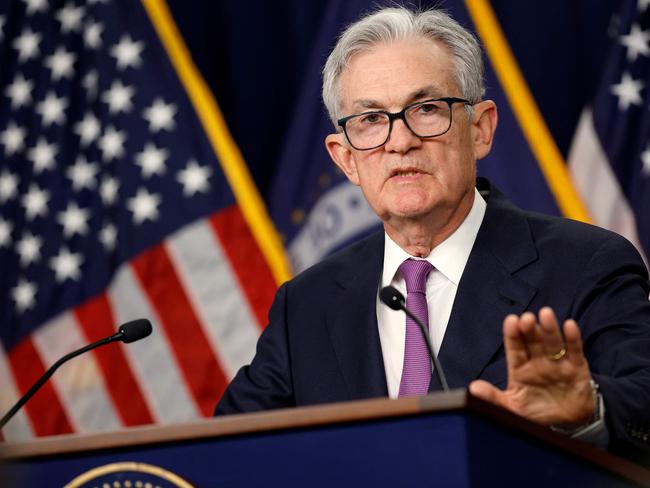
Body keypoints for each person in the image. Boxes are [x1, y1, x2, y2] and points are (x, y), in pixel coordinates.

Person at [215, 6, 650, 460]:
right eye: (370, 120)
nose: (399, 141)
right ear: (345, 159)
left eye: (425, 109)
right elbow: (222, 452)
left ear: (480, 130)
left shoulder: (587, 265)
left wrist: (588, 412)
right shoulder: (305, 305)